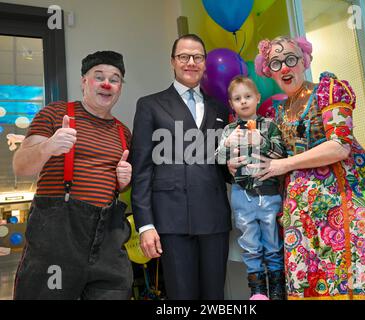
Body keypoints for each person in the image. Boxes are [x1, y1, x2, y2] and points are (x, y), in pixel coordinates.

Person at [228, 35, 365, 300]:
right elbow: (268, 153)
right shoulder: (278, 112)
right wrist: (238, 161)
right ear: (269, 72)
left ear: (305, 60)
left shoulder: (329, 90)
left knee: (356, 280)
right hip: (304, 217)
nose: (285, 67)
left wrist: (284, 164)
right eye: (276, 63)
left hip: (345, 200)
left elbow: (339, 146)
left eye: (291, 59)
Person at [12, 51, 133, 300]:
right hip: (57, 239)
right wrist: (49, 147)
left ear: (120, 87)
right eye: (98, 76)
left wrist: (123, 182)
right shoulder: (55, 114)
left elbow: (113, 186)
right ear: (83, 81)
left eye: (115, 78)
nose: (107, 83)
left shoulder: (124, 132)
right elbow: (21, 166)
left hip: (107, 242)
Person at [131, 34, 231, 300]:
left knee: (215, 297)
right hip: (171, 220)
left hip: (214, 217)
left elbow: (222, 164)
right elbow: (141, 168)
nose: (191, 62)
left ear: (205, 63)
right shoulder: (150, 105)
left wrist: (238, 165)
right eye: (184, 56)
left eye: (197, 57)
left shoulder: (219, 108)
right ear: (172, 61)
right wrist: (145, 225)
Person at [216, 76, 286, 300]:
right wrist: (228, 147)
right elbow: (218, 158)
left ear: (257, 98)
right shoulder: (229, 130)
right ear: (231, 104)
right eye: (237, 98)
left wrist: (260, 140)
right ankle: (258, 291)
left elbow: (281, 153)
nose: (243, 102)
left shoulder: (269, 126)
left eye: (247, 96)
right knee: (250, 242)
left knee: (272, 241)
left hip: (268, 194)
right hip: (242, 195)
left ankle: (276, 287)